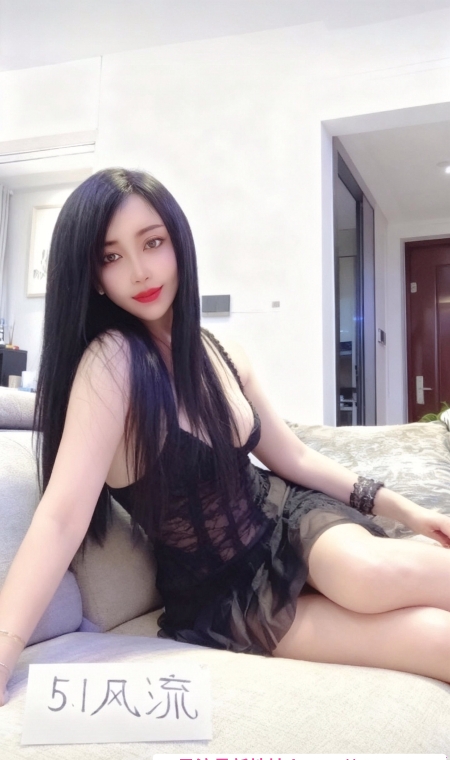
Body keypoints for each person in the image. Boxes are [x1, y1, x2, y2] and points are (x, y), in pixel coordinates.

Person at [1, 168, 450, 707]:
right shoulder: (111, 363)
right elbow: (60, 518)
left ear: (178, 243)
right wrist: (5, 648)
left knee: (370, 573)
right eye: (112, 256)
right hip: (225, 591)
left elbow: (294, 457)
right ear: (93, 276)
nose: (140, 271)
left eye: (153, 243)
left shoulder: (222, 351)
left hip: (291, 520)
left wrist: (406, 509)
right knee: (437, 642)